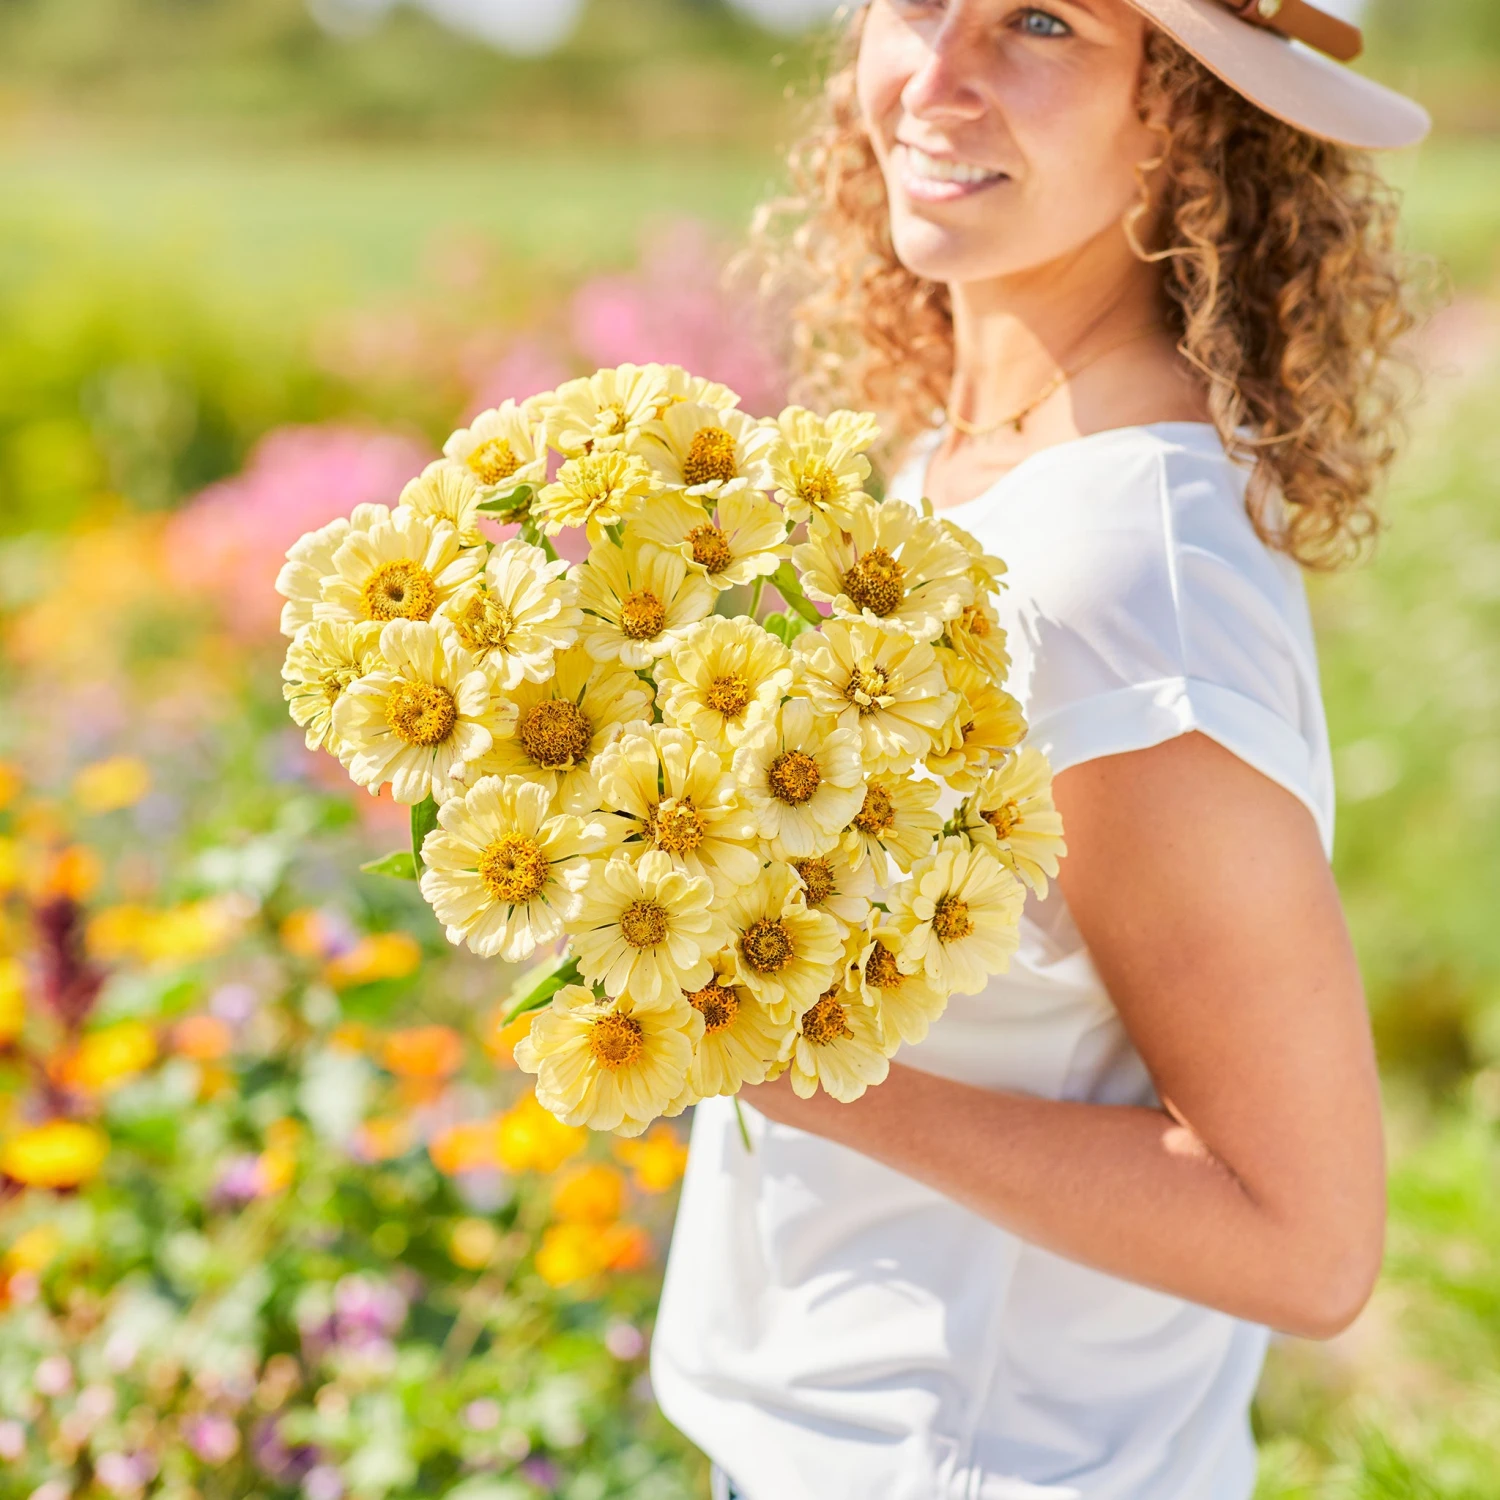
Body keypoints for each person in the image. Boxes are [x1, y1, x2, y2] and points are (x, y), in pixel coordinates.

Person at [649, 2, 1431, 1497]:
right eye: (915, 3)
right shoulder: (949, 464)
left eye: (1039, 21)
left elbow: (1306, 1237)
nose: (935, 78)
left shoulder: (1124, 578)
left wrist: (784, 1061)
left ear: (1185, 110)